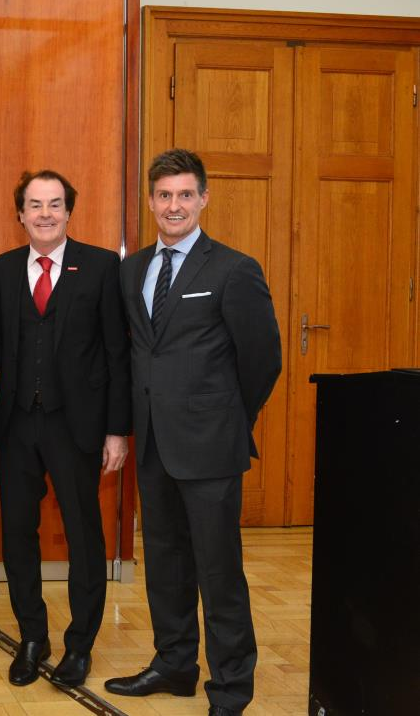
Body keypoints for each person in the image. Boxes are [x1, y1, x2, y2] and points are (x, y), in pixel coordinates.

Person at [105, 149, 281, 716]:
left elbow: (263, 360)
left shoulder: (233, 268)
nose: (173, 205)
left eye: (185, 194)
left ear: (203, 198)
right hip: (154, 445)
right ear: (151, 201)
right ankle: (175, 664)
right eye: (164, 195)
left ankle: (231, 688)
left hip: (211, 448)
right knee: (164, 564)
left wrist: (226, 416)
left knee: (218, 571)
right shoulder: (132, 270)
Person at [0, 170, 130, 689]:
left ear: (69, 211)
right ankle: (32, 636)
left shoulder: (99, 266)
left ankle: (80, 644)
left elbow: (117, 352)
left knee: (84, 536)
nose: (45, 214)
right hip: (18, 424)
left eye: (54, 204)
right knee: (19, 534)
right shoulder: (1, 269)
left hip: (77, 427)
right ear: (20, 214)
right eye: (34, 205)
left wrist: (118, 430)